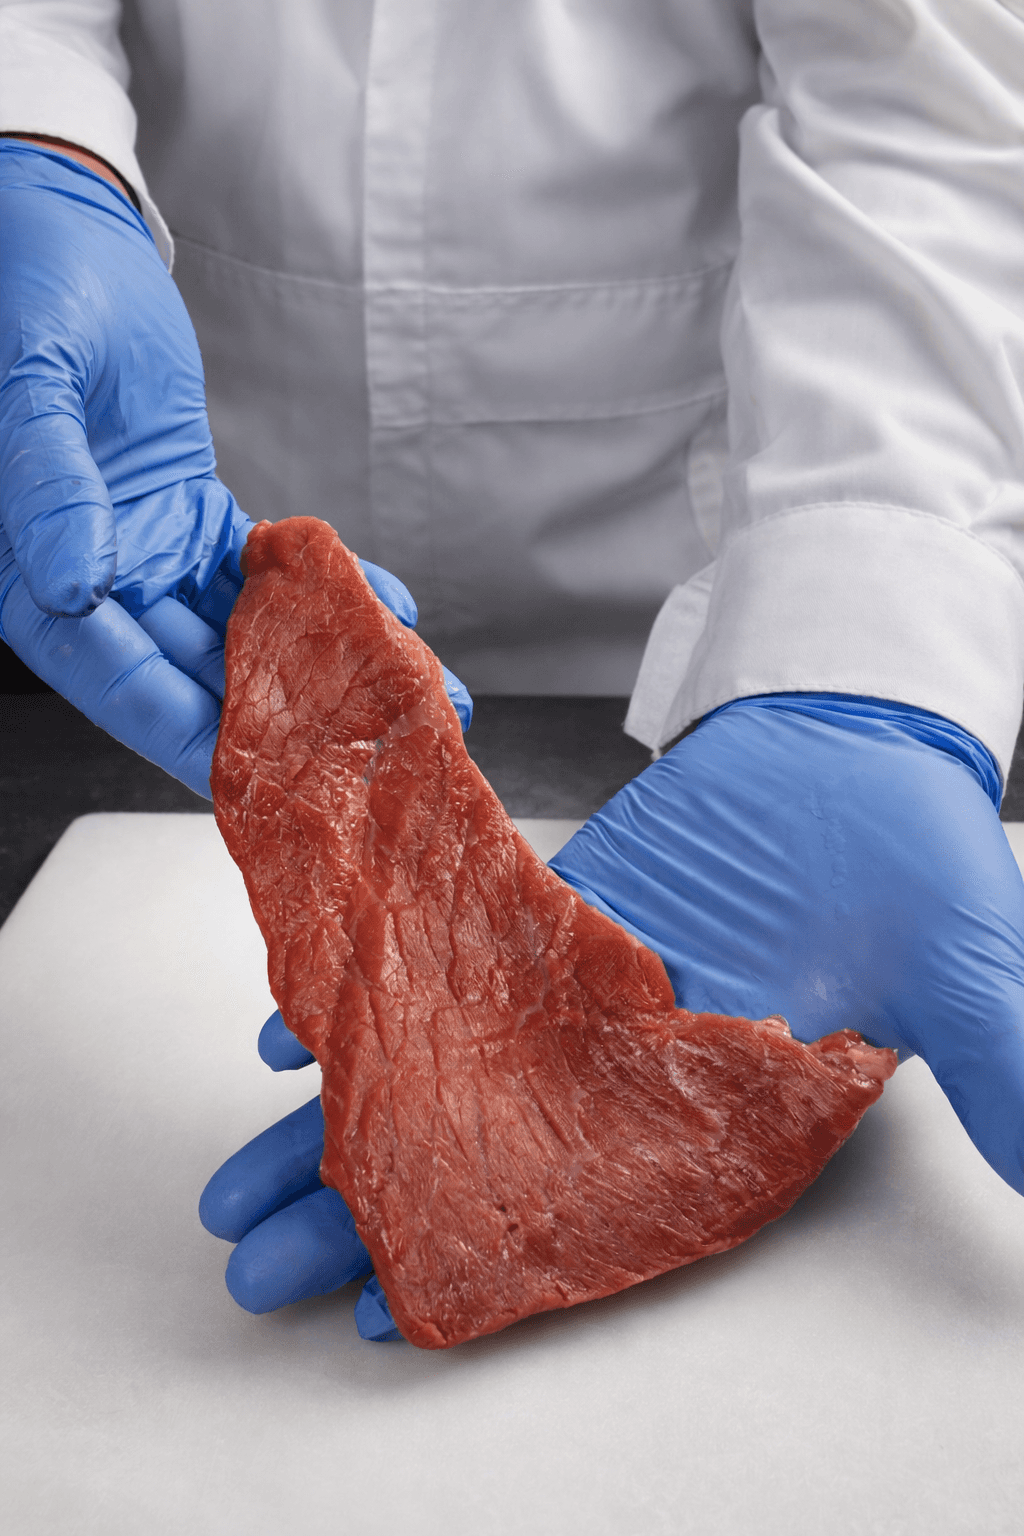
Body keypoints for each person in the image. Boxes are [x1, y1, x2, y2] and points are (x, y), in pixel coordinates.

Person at [4, 1, 1024, 1342]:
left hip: (693, 561)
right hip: (162, 488)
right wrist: (36, 143)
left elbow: (923, 98)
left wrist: (862, 662)